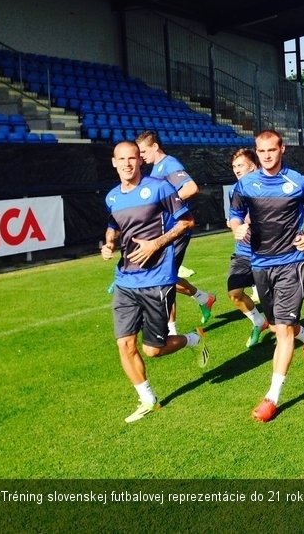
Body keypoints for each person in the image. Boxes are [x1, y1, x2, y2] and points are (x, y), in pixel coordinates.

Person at [102, 141, 209, 423]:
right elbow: (114, 225)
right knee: (124, 344)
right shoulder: (112, 197)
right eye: (121, 159)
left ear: (140, 161)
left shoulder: (159, 188)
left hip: (157, 279)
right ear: (114, 162)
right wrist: (109, 244)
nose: (127, 164)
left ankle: (193, 340)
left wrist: (155, 244)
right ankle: (148, 399)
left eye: (132, 158)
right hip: (125, 280)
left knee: (153, 350)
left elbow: (186, 222)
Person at [229, 129, 304, 422]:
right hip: (260, 263)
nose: (267, 155)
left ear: (282, 149)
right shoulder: (246, 184)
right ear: (256, 153)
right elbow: (234, 214)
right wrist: (237, 228)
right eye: (262, 151)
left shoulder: (297, 181)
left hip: (291, 262)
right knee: (277, 326)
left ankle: (272, 397)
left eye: (272, 150)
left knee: (282, 330)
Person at [135, 131, 216, 332]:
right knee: (164, 276)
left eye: (144, 151)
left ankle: (171, 328)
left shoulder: (169, 164)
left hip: (176, 231)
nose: (141, 156)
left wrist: (167, 203)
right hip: (166, 232)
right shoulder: (156, 169)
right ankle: (203, 298)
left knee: (165, 278)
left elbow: (190, 187)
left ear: (155, 147)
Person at [226, 148, 269, 348]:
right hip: (243, 251)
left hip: (267, 253)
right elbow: (233, 217)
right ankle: (258, 321)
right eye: (234, 166)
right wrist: (236, 225)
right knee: (234, 293)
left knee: (276, 307)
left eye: (240, 165)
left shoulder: (269, 185)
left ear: (252, 165)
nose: (236, 169)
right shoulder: (236, 190)